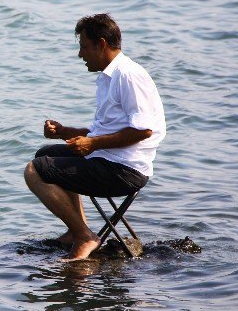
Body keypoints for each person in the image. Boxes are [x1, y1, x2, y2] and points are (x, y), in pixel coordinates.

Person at [23, 14, 166, 260]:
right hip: (109, 157)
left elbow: (143, 130)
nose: (81, 55)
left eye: (84, 47)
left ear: (101, 44)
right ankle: (76, 229)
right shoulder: (109, 77)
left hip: (125, 170)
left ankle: (84, 236)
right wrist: (65, 131)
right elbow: (105, 131)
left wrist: (92, 143)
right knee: (45, 154)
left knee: (33, 170)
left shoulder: (128, 76)